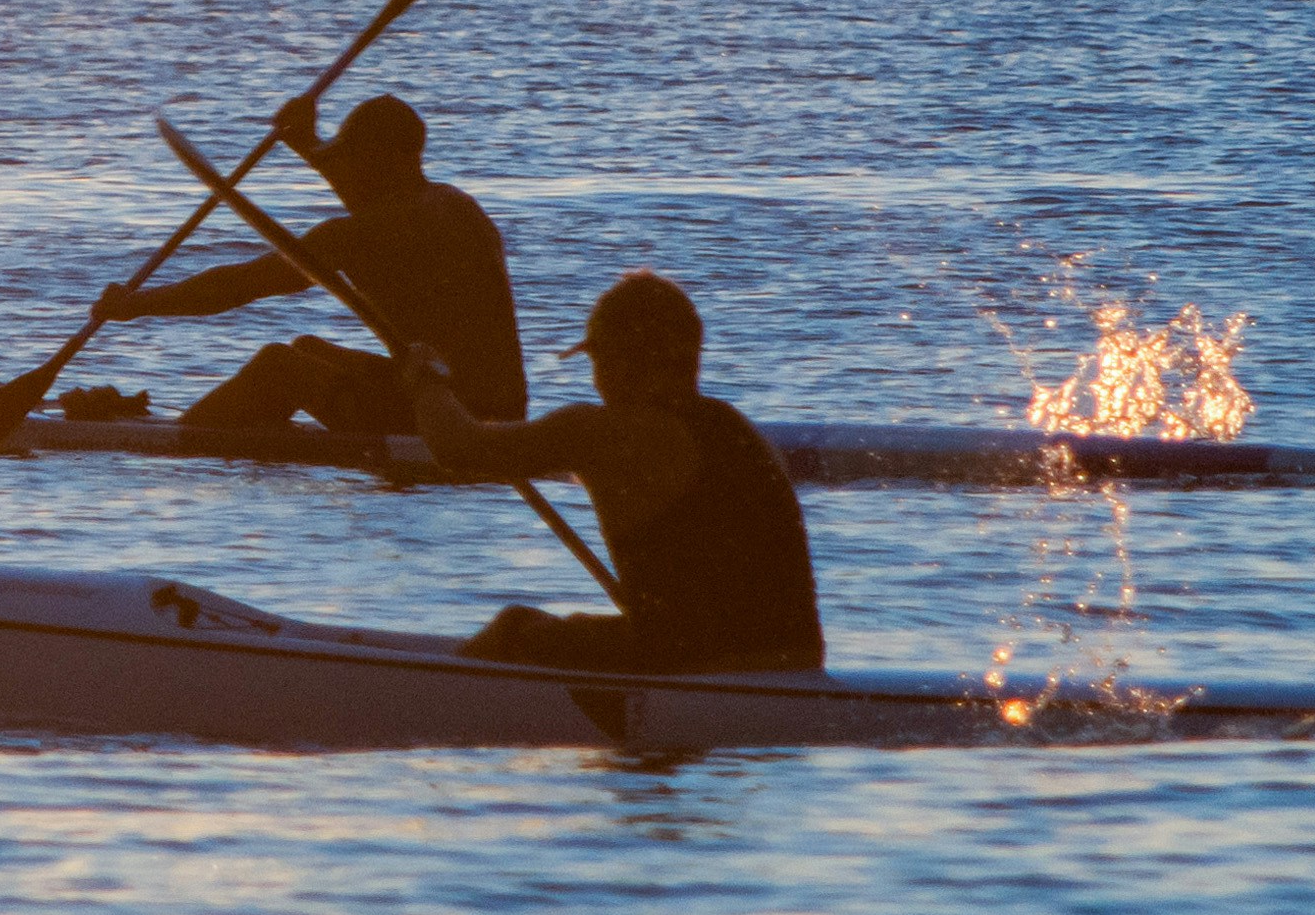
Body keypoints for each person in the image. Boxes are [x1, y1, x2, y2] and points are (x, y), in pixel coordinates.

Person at [404, 268, 823, 675]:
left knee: (516, 629)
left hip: (697, 663)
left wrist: (428, 376)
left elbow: (459, 446)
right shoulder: (740, 429)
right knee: (585, 630)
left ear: (621, 363)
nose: (597, 382)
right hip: (797, 659)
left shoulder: (603, 432)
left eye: (598, 360)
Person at [91, 92, 528, 438]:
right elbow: (369, 200)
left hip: (453, 420)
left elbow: (240, 285)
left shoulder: (359, 234)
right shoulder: (456, 205)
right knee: (309, 350)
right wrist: (305, 142)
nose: (348, 170)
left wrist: (136, 304)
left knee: (279, 367)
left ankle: (182, 440)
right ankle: (245, 431)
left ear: (386, 161)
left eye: (358, 159)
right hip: (497, 407)